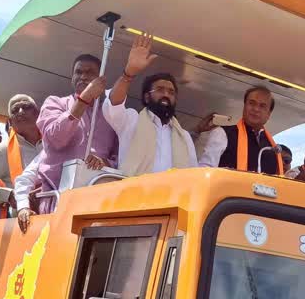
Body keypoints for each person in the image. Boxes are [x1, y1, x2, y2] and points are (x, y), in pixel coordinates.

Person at [101, 33, 197, 176]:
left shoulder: (183, 137)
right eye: (160, 90)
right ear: (147, 97)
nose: (166, 94)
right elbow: (114, 104)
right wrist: (129, 73)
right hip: (135, 196)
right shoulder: (131, 121)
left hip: (173, 198)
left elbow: (193, 174)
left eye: (171, 92)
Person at [36, 53, 119, 212]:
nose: (83, 76)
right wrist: (84, 99)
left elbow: (120, 157)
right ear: (71, 77)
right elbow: (56, 138)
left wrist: (105, 162)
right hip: (58, 199)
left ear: (100, 80)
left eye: (90, 73)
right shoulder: (55, 103)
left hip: (98, 199)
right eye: (78, 72)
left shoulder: (109, 113)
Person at [196, 85, 284, 175]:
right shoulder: (222, 134)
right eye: (251, 103)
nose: (256, 109)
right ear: (244, 106)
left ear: (269, 114)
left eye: (262, 106)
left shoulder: (272, 149)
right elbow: (204, 171)